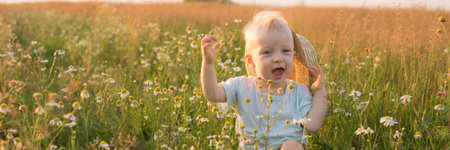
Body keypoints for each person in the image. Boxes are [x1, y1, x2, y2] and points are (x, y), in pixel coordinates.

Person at [200, 10, 327, 150]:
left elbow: (313, 125)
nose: (278, 58)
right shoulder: (241, 86)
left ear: (293, 56)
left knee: (291, 145)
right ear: (251, 61)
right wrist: (208, 64)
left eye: (285, 51)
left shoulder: (299, 91)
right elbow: (212, 94)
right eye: (267, 52)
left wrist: (320, 91)